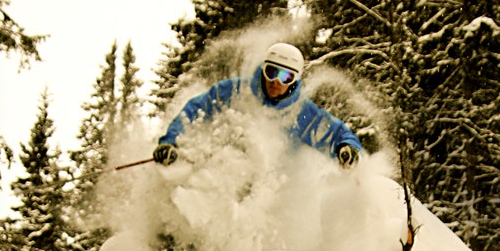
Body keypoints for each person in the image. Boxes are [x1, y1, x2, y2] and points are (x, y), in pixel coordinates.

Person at [153, 42, 363, 170]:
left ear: (295, 80)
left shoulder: (302, 113)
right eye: (272, 72)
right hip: (219, 170)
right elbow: (194, 110)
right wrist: (171, 141)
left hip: (268, 191)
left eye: (285, 76)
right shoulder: (233, 91)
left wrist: (347, 148)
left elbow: (338, 133)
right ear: (263, 69)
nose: (276, 82)